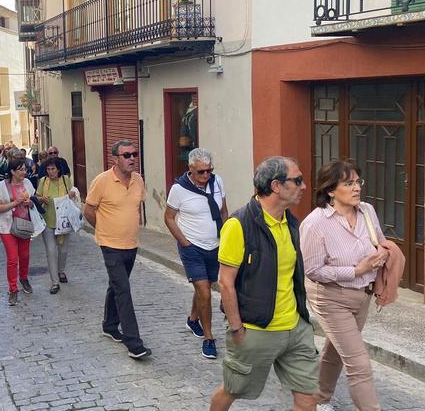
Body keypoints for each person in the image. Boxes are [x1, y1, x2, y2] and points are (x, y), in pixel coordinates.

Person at [210, 156, 318, 411]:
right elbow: (226, 283)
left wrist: (302, 319)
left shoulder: (290, 222)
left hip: (296, 328)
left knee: (308, 397)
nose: (304, 187)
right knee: (232, 390)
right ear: (277, 186)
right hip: (256, 329)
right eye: (298, 180)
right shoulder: (239, 224)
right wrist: (237, 329)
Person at [300, 160, 394, 411]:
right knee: (359, 364)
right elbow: (313, 270)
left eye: (357, 182)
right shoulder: (314, 224)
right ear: (331, 190)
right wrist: (357, 270)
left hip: (362, 295)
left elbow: (381, 243)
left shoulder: (367, 211)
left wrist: (382, 256)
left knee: (336, 350)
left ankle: (319, 399)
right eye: (348, 183)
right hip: (330, 298)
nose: (356, 188)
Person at [83, 140, 151, 360]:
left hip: (131, 244)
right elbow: (88, 210)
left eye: (134, 154)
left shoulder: (138, 180)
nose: (132, 159)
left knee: (116, 285)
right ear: (115, 159)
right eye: (126, 155)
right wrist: (103, 230)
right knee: (123, 290)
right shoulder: (102, 181)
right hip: (109, 245)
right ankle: (134, 343)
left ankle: (109, 325)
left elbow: (136, 208)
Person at [164, 148, 228, 359]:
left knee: (205, 287)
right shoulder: (179, 189)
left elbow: (223, 211)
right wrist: (184, 242)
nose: (206, 176)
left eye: (209, 170)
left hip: (215, 245)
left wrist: (226, 236)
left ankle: (193, 319)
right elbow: (169, 218)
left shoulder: (217, 182)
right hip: (193, 248)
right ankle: (209, 338)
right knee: (206, 292)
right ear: (190, 169)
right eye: (201, 172)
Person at [0, 157, 38, 306]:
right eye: (21, 169)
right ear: (12, 171)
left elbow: (33, 201)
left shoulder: (28, 184)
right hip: (7, 226)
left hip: (24, 224)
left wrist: (30, 202)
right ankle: (13, 289)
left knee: (24, 255)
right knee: (12, 258)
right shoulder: (2, 186)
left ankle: (23, 278)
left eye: (25, 169)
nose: (24, 172)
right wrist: (15, 202)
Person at [36, 156, 77, 294]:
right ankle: (54, 283)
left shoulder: (65, 180)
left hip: (64, 222)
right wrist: (42, 199)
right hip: (47, 221)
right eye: (48, 169)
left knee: (63, 251)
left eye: (53, 169)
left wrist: (72, 194)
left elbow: (74, 192)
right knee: (51, 252)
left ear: (58, 169)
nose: (50, 172)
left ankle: (61, 271)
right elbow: (37, 197)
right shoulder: (43, 181)